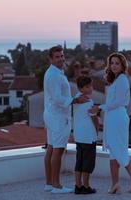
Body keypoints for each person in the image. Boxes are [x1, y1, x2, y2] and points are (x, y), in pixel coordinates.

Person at [90, 53, 131, 194]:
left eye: (117, 63)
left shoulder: (123, 79)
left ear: (122, 65)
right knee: (113, 152)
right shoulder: (116, 80)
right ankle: (115, 184)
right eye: (112, 63)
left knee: (121, 152)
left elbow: (117, 102)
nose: (113, 65)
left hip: (118, 117)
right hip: (113, 117)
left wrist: (100, 107)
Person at [43, 45, 88, 194]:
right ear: (50, 59)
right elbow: (57, 98)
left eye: (62, 56)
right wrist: (75, 100)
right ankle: (56, 185)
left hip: (52, 115)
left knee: (51, 147)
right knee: (58, 149)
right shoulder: (54, 75)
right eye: (57, 56)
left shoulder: (54, 73)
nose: (61, 59)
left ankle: (49, 183)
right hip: (58, 117)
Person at [73, 76, 100, 195]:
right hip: (88, 136)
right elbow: (94, 118)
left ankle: (77, 186)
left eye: (91, 86)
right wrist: (97, 128)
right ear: (81, 88)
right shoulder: (89, 102)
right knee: (87, 163)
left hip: (78, 136)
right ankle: (86, 186)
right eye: (88, 86)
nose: (90, 88)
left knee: (79, 161)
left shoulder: (75, 99)